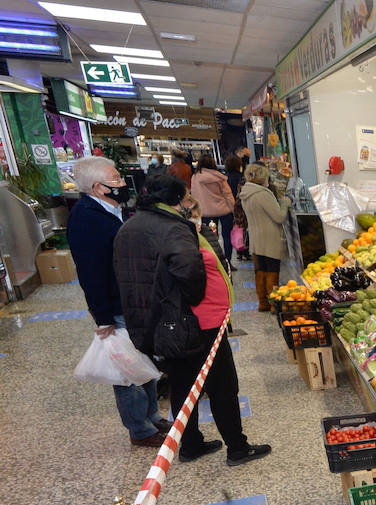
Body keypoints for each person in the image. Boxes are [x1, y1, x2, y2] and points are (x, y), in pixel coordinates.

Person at [113, 174, 271, 466]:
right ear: (174, 201)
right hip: (195, 321)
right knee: (223, 385)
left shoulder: (129, 227)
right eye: (185, 198)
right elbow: (188, 273)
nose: (188, 204)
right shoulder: (173, 228)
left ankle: (190, 443)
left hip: (159, 323)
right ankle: (237, 446)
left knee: (184, 384)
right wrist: (196, 298)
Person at [67, 155, 168, 447]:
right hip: (115, 304)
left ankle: (152, 414)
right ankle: (140, 429)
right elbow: (91, 271)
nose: (124, 184)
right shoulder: (86, 218)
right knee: (126, 369)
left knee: (143, 360)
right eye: (117, 180)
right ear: (98, 187)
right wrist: (103, 317)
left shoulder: (112, 209)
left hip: (134, 300)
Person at [239, 162, 287, 311]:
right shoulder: (263, 194)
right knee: (273, 270)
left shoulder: (246, 192)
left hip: (255, 237)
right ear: (262, 177)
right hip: (270, 237)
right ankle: (274, 304)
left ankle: (263, 302)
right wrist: (285, 203)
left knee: (260, 270)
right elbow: (279, 217)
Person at [190, 154, 235, 256]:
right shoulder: (220, 178)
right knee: (227, 236)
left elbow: (194, 195)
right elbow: (228, 195)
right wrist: (233, 209)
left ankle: (215, 260)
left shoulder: (195, 178)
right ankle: (228, 260)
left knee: (211, 238)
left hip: (206, 212)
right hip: (224, 211)